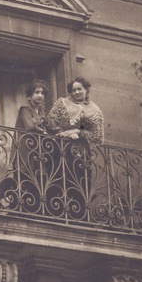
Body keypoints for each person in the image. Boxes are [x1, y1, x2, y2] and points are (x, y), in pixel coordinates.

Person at [46, 77, 103, 217]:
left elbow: (97, 134)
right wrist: (64, 133)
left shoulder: (94, 110)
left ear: (86, 90)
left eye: (79, 89)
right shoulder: (62, 103)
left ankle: (78, 213)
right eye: (74, 90)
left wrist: (79, 132)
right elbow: (50, 122)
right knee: (58, 178)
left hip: (81, 151)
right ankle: (55, 209)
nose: (76, 92)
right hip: (59, 148)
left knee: (79, 180)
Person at [9, 80, 54, 213]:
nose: (40, 96)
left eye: (42, 93)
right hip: (24, 148)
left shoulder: (41, 109)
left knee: (36, 177)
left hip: (35, 149)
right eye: (37, 92)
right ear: (30, 95)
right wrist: (42, 127)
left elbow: (44, 125)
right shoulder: (25, 108)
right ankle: (19, 207)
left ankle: (34, 207)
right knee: (23, 175)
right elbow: (30, 126)